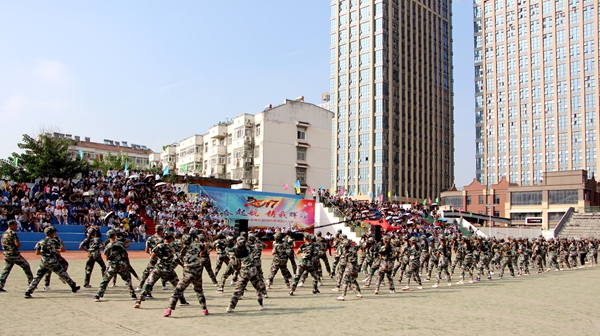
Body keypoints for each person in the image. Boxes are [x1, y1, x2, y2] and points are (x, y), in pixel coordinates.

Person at [135, 232, 187, 308]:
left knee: (148, 284)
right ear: (170, 239)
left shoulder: (159, 246)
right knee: (177, 285)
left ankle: (139, 301)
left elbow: (152, 257)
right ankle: (182, 301)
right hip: (169, 269)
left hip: (158, 268)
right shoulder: (173, 246)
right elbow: (182, 248)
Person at [25, 227, 80, 298]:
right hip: (53, 262)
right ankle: (73, 287)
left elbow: (37, 253)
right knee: (63, 274)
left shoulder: (41, 242)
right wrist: (54, 250)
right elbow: (62, 250)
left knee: (37, 277)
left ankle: (28, 291)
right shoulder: (54, 241)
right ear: (52, 233)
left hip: (44, 262)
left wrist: (46, 253)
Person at [164, 234, 209, 317]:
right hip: (198, 272)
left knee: (177, 291)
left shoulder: (179, 250)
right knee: (199, 290)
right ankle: (204, 309)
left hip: (188, 273)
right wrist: (201, 251)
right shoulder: (197, 246)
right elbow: (207, 244)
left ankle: (169, 309)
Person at [93, 229, 137, 302]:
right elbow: (125, 250)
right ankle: (133, 295)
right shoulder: (120, 244)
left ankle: (98, 295)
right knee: (127, 280)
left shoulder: (108, 246)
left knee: (105, 280)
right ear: (115, 235)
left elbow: (107, 258)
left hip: (113, 265)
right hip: (122, 264)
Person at [225, 237, 267, 312]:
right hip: (253, 270)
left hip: (244, 271)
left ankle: (230, 306)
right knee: (258, 288)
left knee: (238, 290)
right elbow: (261, 246)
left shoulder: (236, 252)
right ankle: (261, 305)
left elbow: (236, 264)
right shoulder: (249, 248)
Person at [0, 220, 34, 292]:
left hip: (6, 254)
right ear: (11, 225)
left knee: (6, 270)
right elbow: (17, 244)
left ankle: (0, 285)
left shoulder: (4, 234)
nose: (16, 226)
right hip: (14, 254)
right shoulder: (13, 233)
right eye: (15, 225)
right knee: (26, 266)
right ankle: (31, 283)